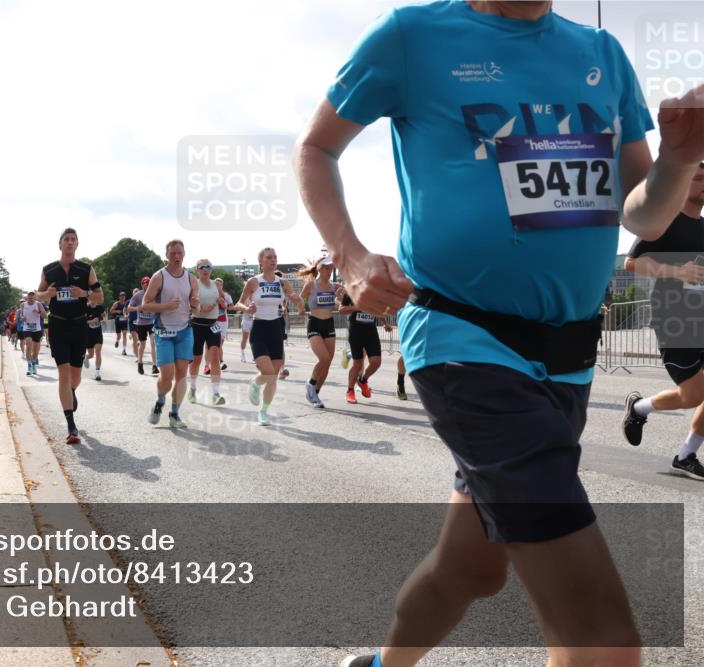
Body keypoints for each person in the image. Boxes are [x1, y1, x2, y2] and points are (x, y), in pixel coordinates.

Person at [296, 3, 703, 666]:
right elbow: (316, 145)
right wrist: (351, 255)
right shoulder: (412, 36)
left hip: (568, 357)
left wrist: (678, 161)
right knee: (601, 638)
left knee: (473, 568)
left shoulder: (601, 54)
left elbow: (645, 215)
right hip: (463, 339)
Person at [622, 161, 704, 481]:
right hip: (675, 321)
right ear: (683, 184)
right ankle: (639, 408)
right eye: (698, 178)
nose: (703, 184)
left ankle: (686, 456)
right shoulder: (665, 223)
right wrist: (677, 272)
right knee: (694, 395)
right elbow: (631, 263)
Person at [38, 228, 103, 445]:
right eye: (66, 239)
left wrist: (83, 294)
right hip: (57, 325)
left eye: (73, 240)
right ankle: (71, 426)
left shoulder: (86, 269)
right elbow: (38, 293)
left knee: (75, 377)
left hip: (78, 325)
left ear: (77, 245)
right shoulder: (49, 270)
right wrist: (46, 295)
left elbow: (100, 296)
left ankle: (71, 391)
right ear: (60, 244)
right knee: (63, 373)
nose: (69, 242)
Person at [236, 248, 302, 425]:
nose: (273, 260)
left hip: (275, 329)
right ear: (261, 262)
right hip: (259, 328)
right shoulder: (253, 281)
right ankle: (256, 383)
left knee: (273, 377)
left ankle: (264, 411)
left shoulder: (282, 282)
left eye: (275, 257)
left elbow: (293, 297)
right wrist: (246, 308)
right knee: (268, 372)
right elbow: (239, 303)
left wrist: (297, 300)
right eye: (269, 257)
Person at [141, 240, 199, 428]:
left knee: (182, 373)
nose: (176, 256)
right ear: (166, 255)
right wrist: (166, 306)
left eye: (179, 253)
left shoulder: (191, 279)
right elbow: (145, 304)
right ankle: (159, 402)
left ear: (184, 254)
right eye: (172, 253)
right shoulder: (159, 277)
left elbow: (195, 309)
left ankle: (174, 414)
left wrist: (195, 305)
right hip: (164, 330)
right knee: (167, 375)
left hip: (184, 330)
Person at [300, 257, 342, 408]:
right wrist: (300, 308)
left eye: (331, 268)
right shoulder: (311, 285)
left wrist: (342, 300)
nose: (329, 271)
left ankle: (315, 393)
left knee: (328, 362)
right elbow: (300, 299)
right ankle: (311, 384)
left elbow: (344, 299)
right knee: (323, 358)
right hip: (315, 324)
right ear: (318, 268)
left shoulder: (335, 286)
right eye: (326, 268)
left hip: (329, 324)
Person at [188, 259, 226, 406]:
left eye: (208, 267)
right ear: (197, 269)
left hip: (213, 324)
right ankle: (192, 390)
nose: (206, 269)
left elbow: (223, 299)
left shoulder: (216, 285)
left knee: (215, 357)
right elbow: (189, 305)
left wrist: (222, 302)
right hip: (197, 324)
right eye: (202, 267)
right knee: (196, 359)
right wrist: (199, 309)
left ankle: (216, 394)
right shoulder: (194, 284)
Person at [339, 291, 381, 404]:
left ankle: (363, 380)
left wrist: (385, 323)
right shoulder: (351, 290)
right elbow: (341, 310)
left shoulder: (376, 291)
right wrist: (356, 307)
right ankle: (350, 391)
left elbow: (379, 310)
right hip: (356, 332)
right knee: (357, 364)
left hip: (371, 331)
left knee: (376, 362)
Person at [127, 277, 160, 375]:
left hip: (152, 322)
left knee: (153, 342)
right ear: (142, 284)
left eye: (148, 283)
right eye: (145, 283)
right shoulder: (137, 295)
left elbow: (159, 306)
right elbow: (129, 308)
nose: (147, 285)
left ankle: (154, 366)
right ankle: (140, 363)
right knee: (143, 344)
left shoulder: (154, 294)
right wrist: (138, 308)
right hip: (141, 323)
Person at [20, 292, 46, 376]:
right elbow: (22, 315)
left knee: (35, 350)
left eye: (32, 298)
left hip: (37, 329)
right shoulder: (23, 305)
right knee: (28, 344)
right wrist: (22, 318)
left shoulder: (38, 304)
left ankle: (34, 364)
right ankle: (29, 365)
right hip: (27, 328)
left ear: (35, 298)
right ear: (27, 298)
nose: (30, 300)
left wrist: (38, 312)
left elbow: (45, 315)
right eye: (28, 298)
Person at [85, 300, 106, 381]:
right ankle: (86, 357)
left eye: (95, 298)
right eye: (92, 298)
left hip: (98, 333)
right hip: (88, 334)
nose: (93, 300)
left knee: (98, 352)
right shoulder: (85, 308)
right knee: (91, 354)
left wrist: (104, 319)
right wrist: (92, 321)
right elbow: (82, 321)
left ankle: (97, 373)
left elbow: (104, 314)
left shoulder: (100, 307)